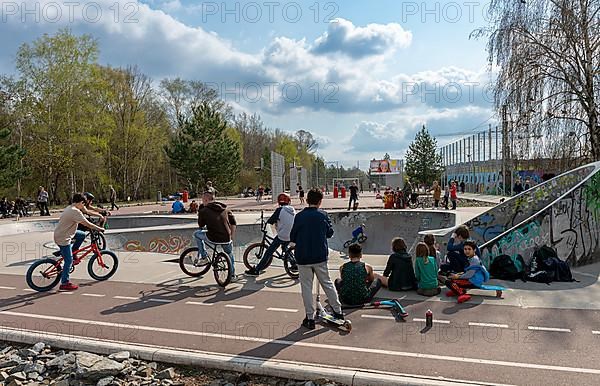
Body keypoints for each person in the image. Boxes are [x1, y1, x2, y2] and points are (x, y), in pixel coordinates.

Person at [290, 188, 343, 330]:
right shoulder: (323, 215)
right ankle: (338, 312)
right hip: (320, 256)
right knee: (327, 283)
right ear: (320, 202)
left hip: (303, 257)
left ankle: (310, 317)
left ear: (307, 201)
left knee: (306, 287)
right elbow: (330, 233)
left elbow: (292, 236)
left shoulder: (299, 216)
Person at [54, 193, 105, 291]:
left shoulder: (70, 207)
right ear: (81, 202)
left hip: (62, 233)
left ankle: (72, 251)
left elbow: (87, 213)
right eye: (83, 204)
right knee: (68, 261)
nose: (84, 205)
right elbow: (87, 223)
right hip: (63, 238)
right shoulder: (75, 212)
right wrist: (99, 229)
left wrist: (99, 214)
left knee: (81, 235)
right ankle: (64, 283)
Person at [246, 193, 296, 276]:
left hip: (283, 235)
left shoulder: (279, 210)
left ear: (279, 202)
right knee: (284, 247)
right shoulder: (292, 209)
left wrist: (266, 223)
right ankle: (293, 263)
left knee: (269, 252)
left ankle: (256, 270)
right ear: (289, 201)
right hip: (292, 234)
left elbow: (271, 221)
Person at [193, 191, 238, 278]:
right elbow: (233, 223)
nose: (202, 202)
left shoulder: (204, 210)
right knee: (229, 254)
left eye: (203, 200)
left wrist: (201, 214)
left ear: (206, 200)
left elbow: (201, 225)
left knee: (196, 234)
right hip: (227, 237)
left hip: (213, 237)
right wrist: (231, 235)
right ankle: (232, 275)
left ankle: (204, 257)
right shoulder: (225, 209)